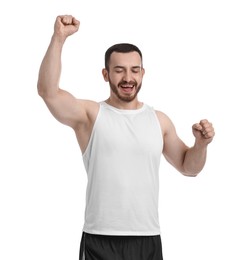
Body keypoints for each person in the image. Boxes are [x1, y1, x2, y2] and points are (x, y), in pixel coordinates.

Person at [37, 15, 215, 260]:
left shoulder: (159, 120)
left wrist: (201, 144)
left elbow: (189, 168)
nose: (128, 78)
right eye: (119, 70)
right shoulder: (90, 115)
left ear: (143, 73)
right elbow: (48, 92)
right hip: (100, 237)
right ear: (106, 74)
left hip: (147, 238)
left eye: (134, 70)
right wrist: (58, 38)